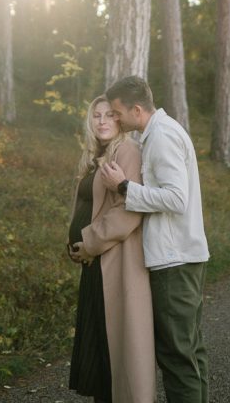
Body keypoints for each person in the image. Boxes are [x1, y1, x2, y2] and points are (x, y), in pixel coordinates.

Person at [101, 76, 209, 403]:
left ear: (136, 109)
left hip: (173, 260)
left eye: (118, 113)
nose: (115, 119)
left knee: (176, 355)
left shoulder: (161, 136)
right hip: (182, 256)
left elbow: (176, 198)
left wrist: (124, 187)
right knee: (189, 351)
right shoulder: (160, 132)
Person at [67, 95, 156, 403]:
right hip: (95, 267)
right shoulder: (96, 156)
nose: (102, 120)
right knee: (98, 351)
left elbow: (129, 209)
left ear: (120, 120)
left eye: (109, 115)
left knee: (115, 350)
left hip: (115, 264)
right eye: (96, 115)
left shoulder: (128, 151)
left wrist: (90, 242)